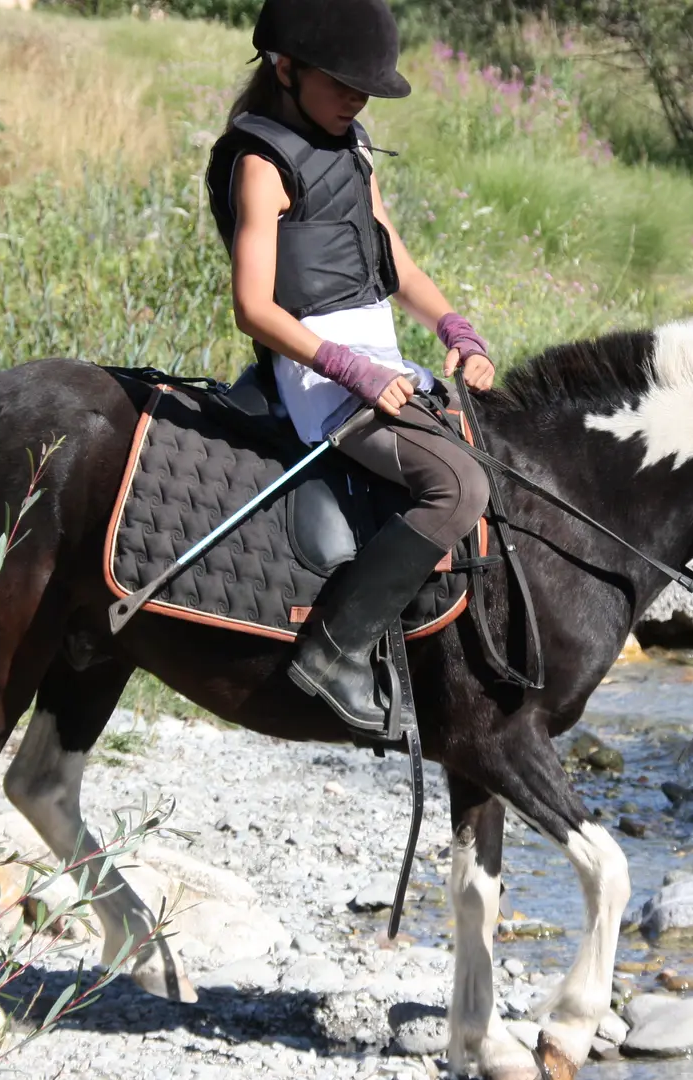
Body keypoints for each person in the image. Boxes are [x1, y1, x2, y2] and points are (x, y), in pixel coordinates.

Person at [204, 0, 494, 740]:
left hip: (379, 361)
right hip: (317, 381)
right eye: (343, 83)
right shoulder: (262, 163)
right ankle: (334, 650)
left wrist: (454, 326)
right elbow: (253, 308)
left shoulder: (354, 148)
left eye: (366, 87)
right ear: (286, 68)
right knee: (458, 486)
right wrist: (351, 370)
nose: (358, 99)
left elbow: (392, 255)